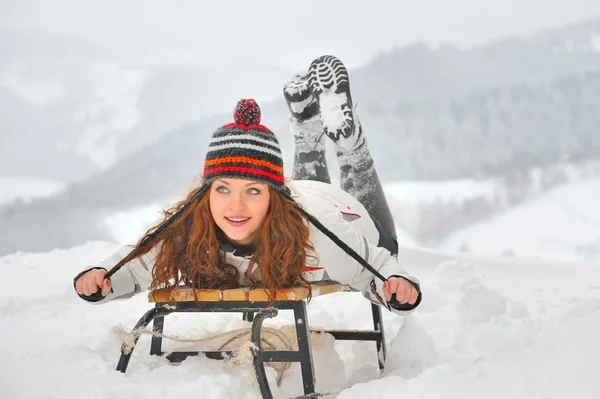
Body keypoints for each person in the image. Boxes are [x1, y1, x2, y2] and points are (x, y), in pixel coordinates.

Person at [74, 55, 421, 314]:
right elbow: (138, 263)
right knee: (306, 187)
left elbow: (373, 266)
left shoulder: (321, 228)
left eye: (253, 190)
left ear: (274, 193)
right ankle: (306, 134)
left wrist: (395, 286)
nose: (235, 206)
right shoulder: (192, 224)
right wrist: (103, 277)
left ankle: (348, 147)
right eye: (222, 188)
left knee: (381, 234)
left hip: (343, 215)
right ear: (205, 193)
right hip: (298, 196)